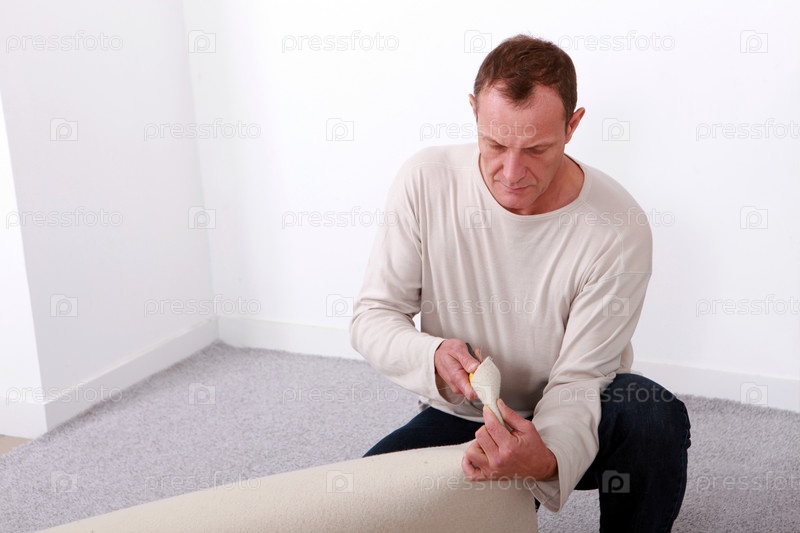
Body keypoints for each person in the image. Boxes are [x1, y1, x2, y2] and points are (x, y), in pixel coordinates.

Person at [349, 34, 691, 531]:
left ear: (572, 126)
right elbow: (374, 316)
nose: (512, 173)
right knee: (359, 509)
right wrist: (432, 356)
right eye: (495, 144)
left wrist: (544, 460)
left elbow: (579, 378)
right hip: (465, 420)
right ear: (474, 112)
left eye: (536, 149)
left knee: (651, 415)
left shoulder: (618, 227)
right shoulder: (425, 180)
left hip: (579, 410)